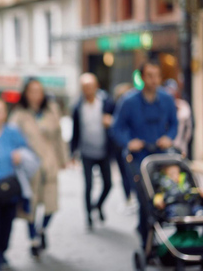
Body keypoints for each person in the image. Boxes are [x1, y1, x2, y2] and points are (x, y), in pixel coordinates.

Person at [111, 59, 178, 248]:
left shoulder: (166, 99)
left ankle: (154, 231)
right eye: (150, 76)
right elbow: (117, 128)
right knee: (144, 197)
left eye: (157, 76)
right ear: (141, 77)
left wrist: (169, 137)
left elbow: (174, 124)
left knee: (163, 195)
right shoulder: (128, 101)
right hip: (137, 159)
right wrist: (128, 142)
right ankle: (146, 238)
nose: (154, 80)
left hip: (161, 156)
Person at [9, 78, 69, 258]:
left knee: (51, 204)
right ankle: (33, 239)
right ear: (25, 93)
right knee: (31, 205)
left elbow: (59, 137)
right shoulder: (19, 114)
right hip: (30, 167)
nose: (36, 95)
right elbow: (11, 138)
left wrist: (63, 159)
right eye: (32, 91)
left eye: (39, 91)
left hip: (50, 163)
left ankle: (42, 229)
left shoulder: (52, 110)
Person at [0, 95, 35, 271]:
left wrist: (21, 155)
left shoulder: (12, 131)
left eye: (2, 111)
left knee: (5, 230)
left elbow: (28, 152)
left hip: (10, 189)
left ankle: (0, 254)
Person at [70, 73, 115, 229]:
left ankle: (98, 205)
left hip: (103, 151)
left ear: (96, 86)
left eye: (90, 86)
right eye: (84, 87)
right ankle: (88, 216)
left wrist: (111, 122)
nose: (87, 90)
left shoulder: (107, 103)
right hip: (87, 152)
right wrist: (72, 152)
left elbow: (117, 123)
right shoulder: (77, 107)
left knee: (108, 184)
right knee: (88, 186)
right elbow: (75, 131)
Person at [112, 83, 136, 211]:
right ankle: (128, 197)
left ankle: (134, 197)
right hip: (122, 146)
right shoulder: (117, 109)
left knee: (132, 174)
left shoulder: (133, 108)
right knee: (125, 173)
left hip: (132, 147)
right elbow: (115, 129)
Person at [163, 78, 193, 157]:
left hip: (179, 146)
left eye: (172, 90)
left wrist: (184, 143)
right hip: (164, 147)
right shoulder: (161, 107)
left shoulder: (183, 106)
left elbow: (188, 128)